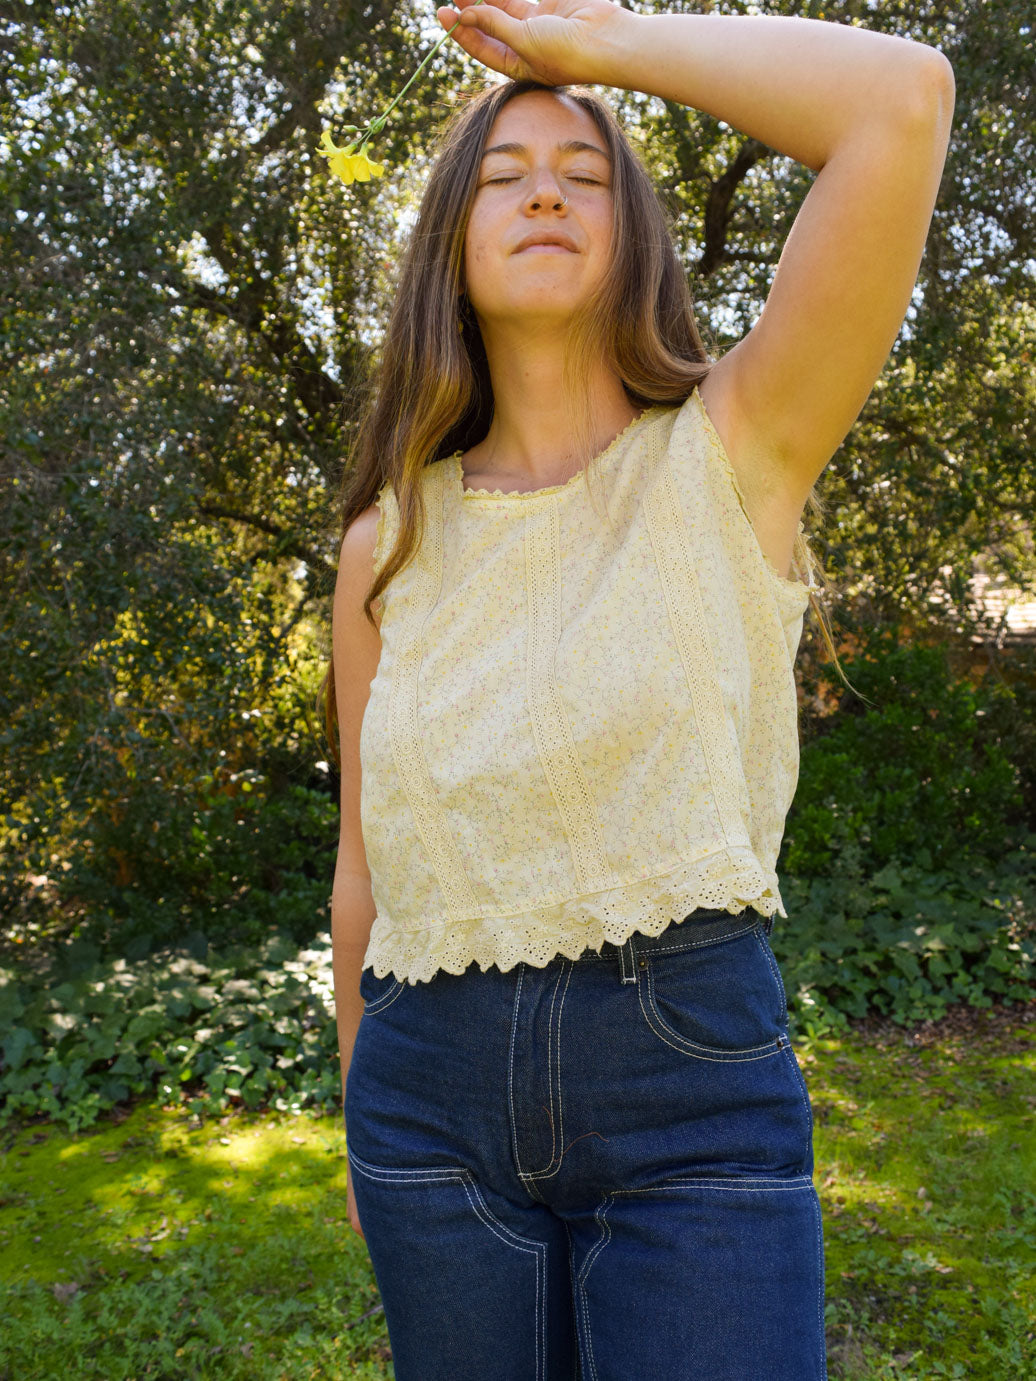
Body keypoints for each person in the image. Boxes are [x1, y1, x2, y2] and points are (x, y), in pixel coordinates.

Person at [323, 3, 954, 1376]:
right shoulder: (385, 545)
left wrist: (591, 43)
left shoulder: (736, 449)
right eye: (502, 172)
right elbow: (366, 877)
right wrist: (364, 1127)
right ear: (450, 243)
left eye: (585, 170)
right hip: (424, 1113)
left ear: (636, 238)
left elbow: (899, 102)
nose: (544, 184)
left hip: (690, 1094)